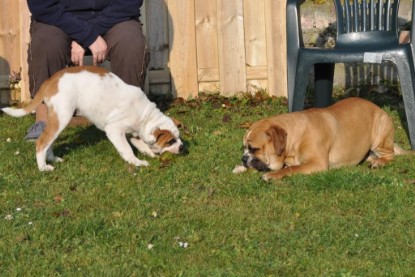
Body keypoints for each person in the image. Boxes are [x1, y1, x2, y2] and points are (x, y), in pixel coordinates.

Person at [25, 0, 149, 140]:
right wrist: (87, 35)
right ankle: (43, 119)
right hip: (59, 20)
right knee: (46, 42)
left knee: (130, 41)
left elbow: (129, 3)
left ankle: (129, 117)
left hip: (112, 19)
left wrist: (90, 34)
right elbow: (41, 5)